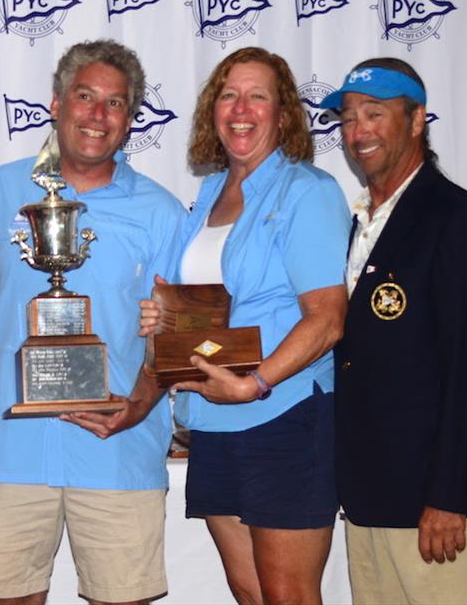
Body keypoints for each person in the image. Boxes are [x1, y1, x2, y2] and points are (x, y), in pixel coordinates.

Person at [0, 40, 186, 605]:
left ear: (131, 121)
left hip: (117, 448)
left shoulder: (161, 212)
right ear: (56, 103)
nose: (97, 115)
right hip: (10, 447)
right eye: (85, 96)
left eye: (115, 104)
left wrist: (141, 403)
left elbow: (179, 333)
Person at [139, 46, 350, 604]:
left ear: (283, 116)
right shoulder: (207, 196)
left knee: (288, 594)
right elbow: (203, 307)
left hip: (283, 413)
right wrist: (163, 318)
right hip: (211, 418)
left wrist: (256, 383)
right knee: (249, 591)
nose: (241, 108)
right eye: (229, 94)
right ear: (213, 109)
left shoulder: (309, 191)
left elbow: (327, 320)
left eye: (259, 96)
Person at [321, 58, 467, 603]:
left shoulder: (454, 221)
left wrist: (448, 496)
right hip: (373, 495)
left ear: (417, 121)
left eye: (375, 113)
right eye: (347, 117)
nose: (357, 130)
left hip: (436, 505)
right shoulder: (362, 223)